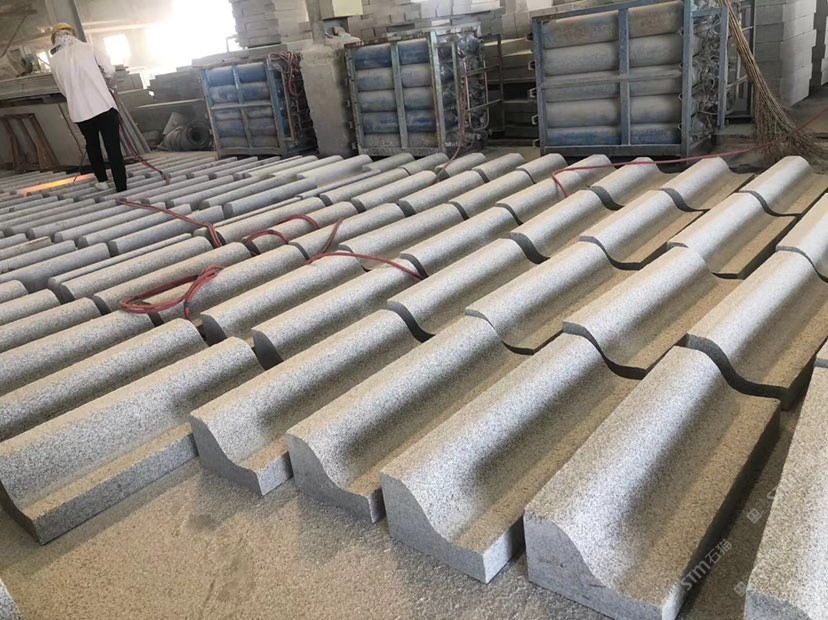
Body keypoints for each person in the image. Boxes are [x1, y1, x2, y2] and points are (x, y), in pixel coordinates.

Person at [49, 23, 127, 192]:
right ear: (72, 34)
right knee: (113, 146)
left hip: (80, 111)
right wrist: (109, 85)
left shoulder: (54, 61)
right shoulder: (88, 48)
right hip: (103, 105)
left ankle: (102, 181)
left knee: (92, 145)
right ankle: (121, 185)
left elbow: (62, 88)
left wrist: (75, 97)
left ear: (54, 39)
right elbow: (109, 70)